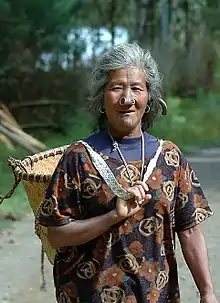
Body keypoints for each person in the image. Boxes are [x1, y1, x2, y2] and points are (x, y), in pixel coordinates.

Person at [36, 43, 219, 303]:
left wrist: (207, 292)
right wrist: (111, 216)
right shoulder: (79, 158)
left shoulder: (170, 158)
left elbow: (189, 229)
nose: (127, 98)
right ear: (102, 97)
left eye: (136, 88)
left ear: (149, 97)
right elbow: (55, 235)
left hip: (156, 296)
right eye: (116, 87)